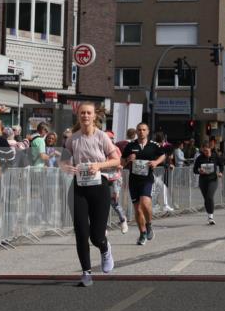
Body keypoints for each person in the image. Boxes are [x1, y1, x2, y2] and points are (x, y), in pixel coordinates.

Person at [64, 103, 122, 287]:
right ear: (78, 115)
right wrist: (66, 166)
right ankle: (86, 273)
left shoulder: (101, 136)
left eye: (88, 113)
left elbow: (116, 160)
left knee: (96, 236)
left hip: (99, 187)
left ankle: (104, 247)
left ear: (94, 116)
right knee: (81, 232)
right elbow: (62, 160)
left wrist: (99, 165)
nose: (85, 116)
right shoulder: (72, 139)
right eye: (82, 113)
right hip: (79, 188)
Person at [122, 123, 167, 245]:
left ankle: (149, 224)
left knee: (145, 203)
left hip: (147, 179)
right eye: (139, 130)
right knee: (137, 209)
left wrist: (156, 162)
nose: (141, 132)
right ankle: (142, 234)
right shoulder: (130, 145)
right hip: (133, 180)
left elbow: (163, 155)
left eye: (144, 130)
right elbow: (121, 162)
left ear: (148, 132)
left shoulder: (153, 145)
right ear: (136, 132)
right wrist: (128, 159)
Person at [193, 144, 224, 224]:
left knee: (209, 196)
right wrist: (199, 171)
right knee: (206, 198)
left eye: (207, 151)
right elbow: (194, 169)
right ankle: (209, 215)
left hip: (213, 180)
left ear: (210, 149)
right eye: (204, 151)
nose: (206, 152)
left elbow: (221, 164)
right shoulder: (200, 158)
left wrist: (221, 172)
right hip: (203, 180)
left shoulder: (215, 156)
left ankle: (211, 217)